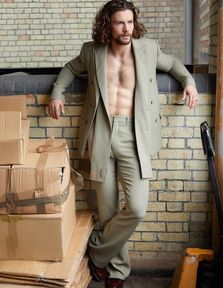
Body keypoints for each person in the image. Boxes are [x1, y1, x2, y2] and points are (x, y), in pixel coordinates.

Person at [48, 0, 199, 287]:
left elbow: (175, 65)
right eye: (120, 22)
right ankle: (117, 271)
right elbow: (69, 69)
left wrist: (189, 82)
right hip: (102, 133)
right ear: (108, 24)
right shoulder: (92, 52)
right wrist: (57, 93)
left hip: (135, 136)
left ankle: (96, 252)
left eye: (130, 22)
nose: (127, 28)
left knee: (137, 207)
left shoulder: (147, 49)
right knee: (107, 210)